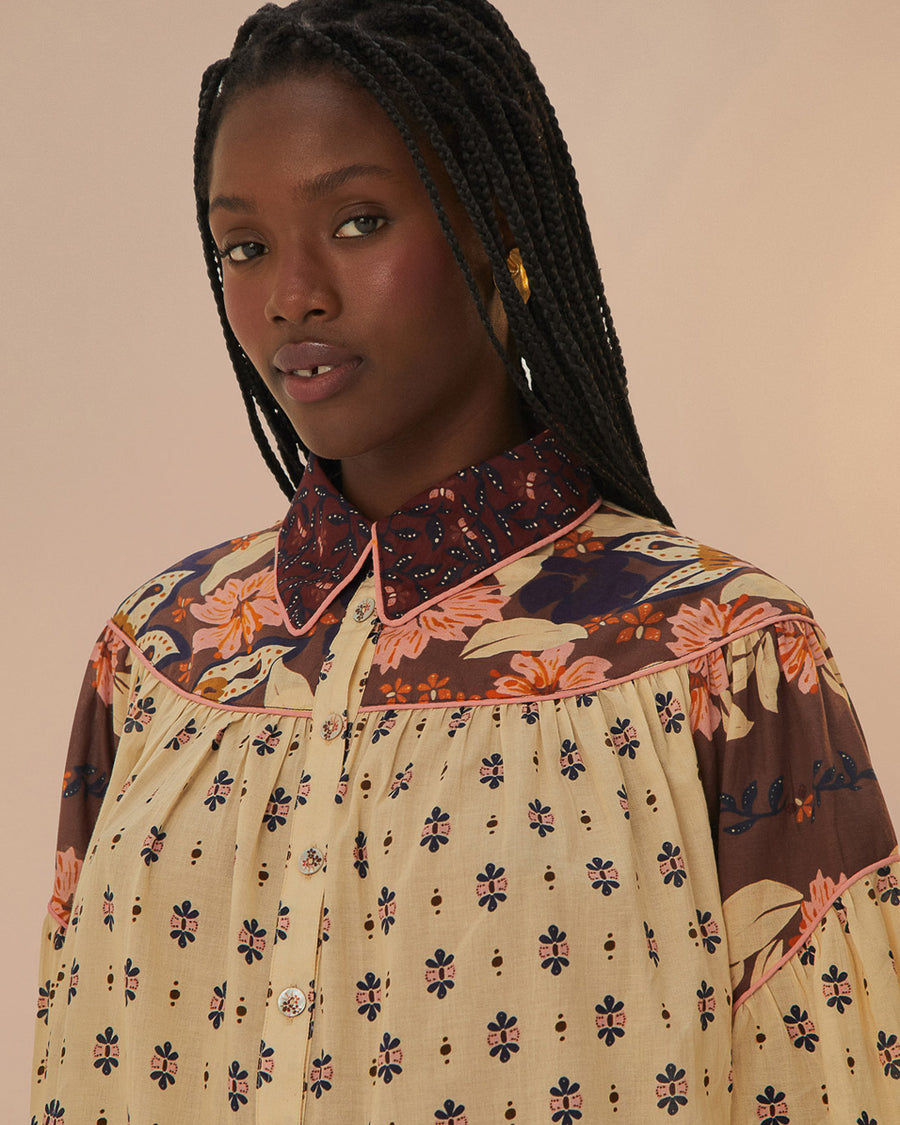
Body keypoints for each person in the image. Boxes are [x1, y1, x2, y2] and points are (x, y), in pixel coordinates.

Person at [31, 1, 900, 1121]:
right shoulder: (158, 661)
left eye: (355, 222)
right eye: (244, 247)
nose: (293, 293)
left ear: (496, 227)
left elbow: (837, 1087)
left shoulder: (725, 658)